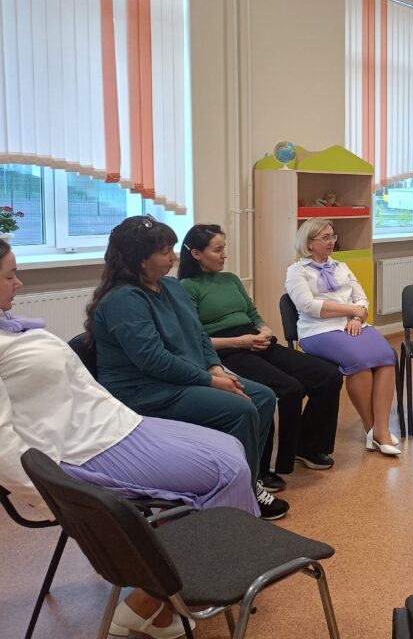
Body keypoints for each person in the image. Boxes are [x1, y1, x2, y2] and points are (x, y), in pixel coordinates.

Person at [0, 238, 257, 639]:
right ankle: (158, 598)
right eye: (10, 276)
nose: (19, 284)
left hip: (114, 423)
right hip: (84, 449)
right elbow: (2, 444)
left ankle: (177, 585)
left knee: (230, 448)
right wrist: (56, 497)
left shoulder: (11, 327)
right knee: (226, 470)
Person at [85, 215, 287, 520]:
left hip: (184, 377)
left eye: (172, 249)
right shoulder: (123, 300)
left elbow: (199, 333)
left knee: (263, 397)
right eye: (165, 252)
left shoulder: (170, 286)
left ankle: (247, 479)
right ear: (141, 260)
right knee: (241, 409)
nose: (173, 258)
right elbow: (153, 360)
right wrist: (209, 380)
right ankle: (237, 498)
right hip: (145, 391)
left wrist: (215, 367)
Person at [179, 224, 343, 489]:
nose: (224, 255)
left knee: (328, 375)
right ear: (196, 254)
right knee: (289, 389)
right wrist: (240, 341)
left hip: (255, 339)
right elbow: (195, 339)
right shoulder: (187, 287)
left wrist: (264, 329)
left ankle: (307, 447)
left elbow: (252, 314)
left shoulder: (230, 279)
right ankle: (264, 469)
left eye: (224, 248)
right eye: (217, 250)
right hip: (226, 350)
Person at [285, 219, 399, 456]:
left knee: (387, 357)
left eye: (333, 236)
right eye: (325, 237)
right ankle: (372, 429)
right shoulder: (297, 271)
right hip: (318, 330)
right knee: (360, 362)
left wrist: (357, 317)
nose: (332, 241)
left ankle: (381, 429)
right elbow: (308, 306)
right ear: (309, 243)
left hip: (352, 325)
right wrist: (351, 310)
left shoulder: (342, 266)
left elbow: (362, 298)